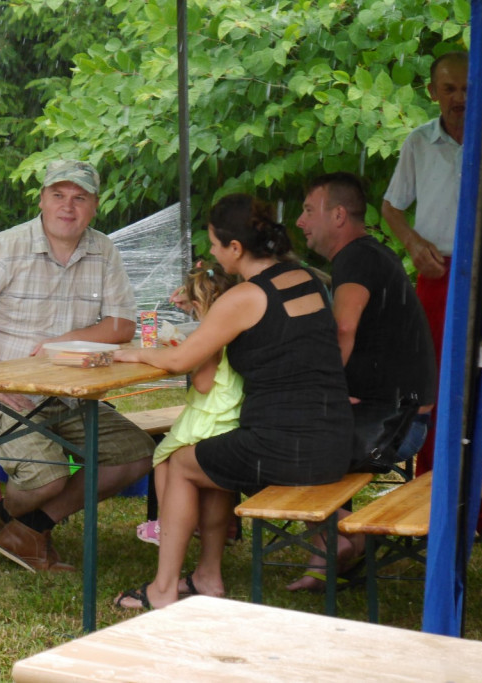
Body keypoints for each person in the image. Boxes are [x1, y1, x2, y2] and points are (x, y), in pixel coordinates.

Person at [112, 193, 353, 610]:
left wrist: (132, 352)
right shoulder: (307, 278)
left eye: (215, 243)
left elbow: (181, 360)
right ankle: (207, 576)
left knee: (182, 463)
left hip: (284, 448)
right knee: (215, 454)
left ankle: (163, 589)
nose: (210, 252)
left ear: (236, 248)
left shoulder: (244, 297)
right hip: (334, 440)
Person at [0, 159, 154, 572]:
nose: (68, 207)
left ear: (95, 206)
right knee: (49, 475)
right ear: (41, 200)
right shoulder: (9, 245)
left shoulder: (103, 249)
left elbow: (122, 324)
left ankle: (29, 526)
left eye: (80, 198)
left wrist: (63, 342)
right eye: (58, 195)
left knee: (135, 455)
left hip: (66, 396)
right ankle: (12, 515)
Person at [382, 50, 482, 546]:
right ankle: (433, 505)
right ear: (433, 92)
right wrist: (413, 244)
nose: (460, 98)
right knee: (436, 390)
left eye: (469, 87)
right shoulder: (419, 141)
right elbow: (390, 206)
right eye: (450, 89)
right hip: (438, 276)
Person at [287, 171, 437, 592]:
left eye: (308, 211)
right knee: (296, 428)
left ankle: (346, 535)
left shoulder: (356, 258)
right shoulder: (369, 255)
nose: (301, 222)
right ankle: (332, 547)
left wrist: (321, 393)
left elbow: (343, 330)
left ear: (338, 215)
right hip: (398, 416)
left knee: (271, 438)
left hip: (394, 426)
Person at [135, 263, 241, 546]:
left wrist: (190, 357)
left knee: (163, 457)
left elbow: (205, 384)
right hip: (233, 412)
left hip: (210, 414)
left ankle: (167, 524)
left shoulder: (211, 335)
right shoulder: (240, 323)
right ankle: (224, 524)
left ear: (197, 306)